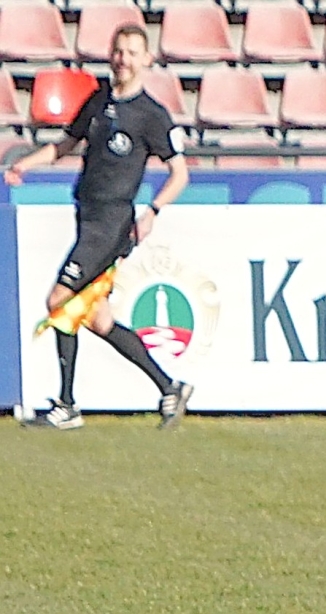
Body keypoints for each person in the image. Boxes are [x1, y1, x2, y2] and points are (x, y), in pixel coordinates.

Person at [6, 23, 192, 431]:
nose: (122, 59)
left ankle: (67, 406)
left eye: (131, 52)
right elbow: (64, 145)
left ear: (146, 60)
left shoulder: (152, 115)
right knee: (98, 319)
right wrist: (25, 164)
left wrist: (153, 212)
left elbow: (180, 173)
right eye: (118, 51)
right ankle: (170, 386)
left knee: (59, 300)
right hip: (87, 217)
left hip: (111, 224)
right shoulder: (99, 100)